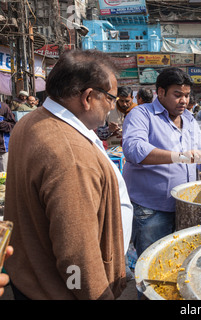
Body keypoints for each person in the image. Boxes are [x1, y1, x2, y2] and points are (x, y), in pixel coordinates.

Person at [3, 49, 133, 300]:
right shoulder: (70, 155)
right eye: (110, 99)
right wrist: (100, 297)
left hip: (29, 279)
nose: (111, 107)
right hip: (58, 292)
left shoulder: (33, 121)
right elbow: (77, 256)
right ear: (87, 98)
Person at [122, 68, 201, 258]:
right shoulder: (141, 115)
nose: (184, 101)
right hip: (150, 210)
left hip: (184, 207)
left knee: (179, 261)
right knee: (152, 263)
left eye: (187, 96)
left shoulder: (188, 119)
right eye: (177, 95)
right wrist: (179, 156)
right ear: (160, 93)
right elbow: (134, 149)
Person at [0, 100, 16, 171]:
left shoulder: (4, 107)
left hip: (2, 149)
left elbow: (13, 125)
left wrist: (1, 124)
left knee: (3, 176)